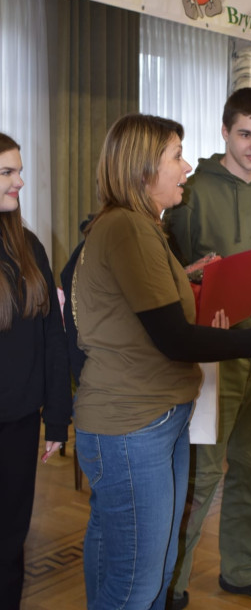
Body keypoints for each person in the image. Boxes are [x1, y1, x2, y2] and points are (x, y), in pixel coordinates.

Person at [72, 113, 251, 610]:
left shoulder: (138, 227)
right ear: (142, 172)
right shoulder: (130, 229)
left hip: (148, 418)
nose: (185, 168)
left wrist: (188, 284)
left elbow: (143, 316)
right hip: (134, 425)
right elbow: (174, 339)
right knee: (138, 583)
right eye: (176, 158)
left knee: (121, 561)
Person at [165, 88, 251, 609]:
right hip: (214, 353)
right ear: (224, 131)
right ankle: (170, 583)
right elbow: (169, 274)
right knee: (201, 475)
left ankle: (242, 570)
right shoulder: (191, 192)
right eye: (245, 133)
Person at [0, 132, 72, 610]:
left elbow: (53, 334)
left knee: (9, 543)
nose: (21, 181)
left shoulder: (28, 245)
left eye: (18, 170)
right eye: (8, 172)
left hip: (20, 422)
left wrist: (58, 417)